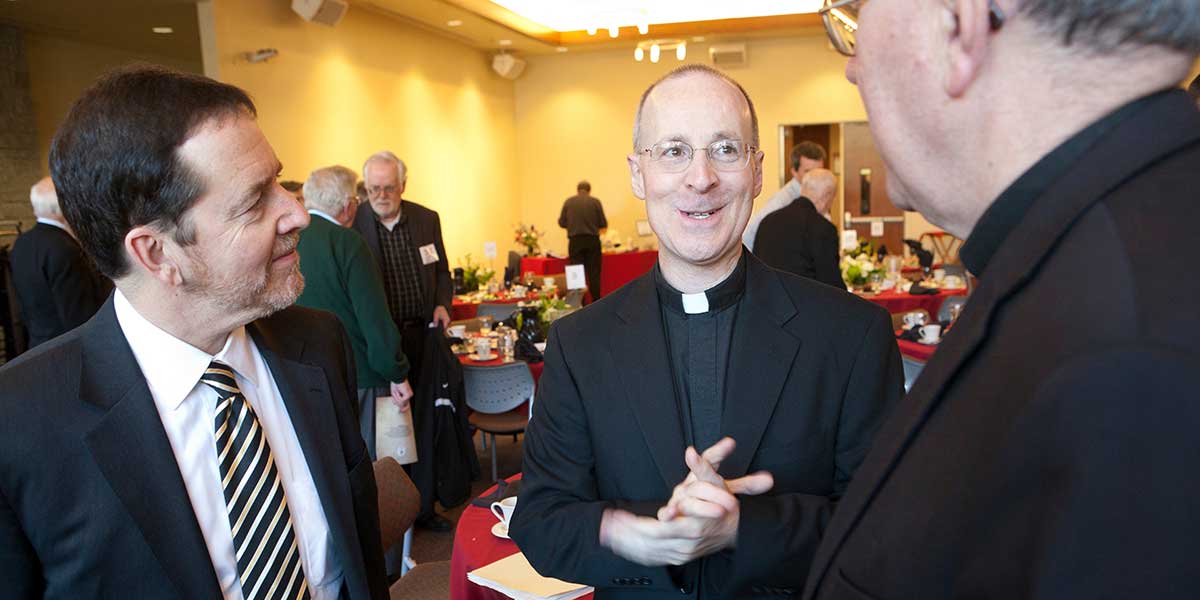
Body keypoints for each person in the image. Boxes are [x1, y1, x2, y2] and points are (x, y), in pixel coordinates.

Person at [804, 2, 1200, 599]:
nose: (853, 69)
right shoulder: (1096, 250)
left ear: (959, 24)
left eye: (858, 16)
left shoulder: (1134, 361)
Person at [511, 64, 902, 599]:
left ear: (758, 171)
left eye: (724, 150)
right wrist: (630, 535)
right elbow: (540, 521)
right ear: (637, 174)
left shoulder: (852, 335)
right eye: (673, 151)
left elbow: (888, 532)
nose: (701, 178)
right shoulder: (580, 344)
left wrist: (744, 526)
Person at [0, 66, 387, 599]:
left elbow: (356, 552)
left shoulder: (318, 345)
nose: (297, 213)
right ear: (157, 253)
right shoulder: (19, 423)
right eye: (255, 201)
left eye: (281, 181)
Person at [351, 150, 454, 531]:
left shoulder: (426, 219)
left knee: (425, 422)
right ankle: (393, 522)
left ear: (403, 186)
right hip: (381, 345)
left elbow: (443, 270)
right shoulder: (354, 223)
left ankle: (424, 508)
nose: (380, 195)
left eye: (388, 187)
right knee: (387, 429)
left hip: (423, 337)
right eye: (372, 188)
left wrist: (444, 304)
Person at [295, 165, 413, 460]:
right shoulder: (347, 243)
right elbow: (373, 318)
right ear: (348, 206)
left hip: (304, 376)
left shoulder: (291, 240)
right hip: (359, 373)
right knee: (372, 462)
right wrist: (396, 373)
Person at [8, 176, 111, 348]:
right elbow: (79, 316)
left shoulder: (21, 243)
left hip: (37, 346)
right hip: (68, 350)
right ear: (61, 208)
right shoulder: (65, 248)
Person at [753, 168, 844, 289]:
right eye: (832, 198)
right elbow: (832, 283)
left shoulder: (768, 221)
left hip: (765, 301)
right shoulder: (823, 228)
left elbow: (755, 269)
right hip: (806, 304)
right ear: (827, 195)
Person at [743, 141, 826, 250]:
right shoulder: (782, 201)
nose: (815, 177)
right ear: (794, 172)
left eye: (818, 171)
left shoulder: (819, 198)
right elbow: (749, 236)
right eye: (808, 172)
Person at [558, 180, 608, 300]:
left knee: (575, 274)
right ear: (589, 190)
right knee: (594, 274)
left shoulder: (569, 202)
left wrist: (572, 225)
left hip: (575, 241)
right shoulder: (595, 202)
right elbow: (603, 223)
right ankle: (596, 302)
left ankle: (578, 303)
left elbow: (562, 222)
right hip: (592, 241)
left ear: (577, 190)